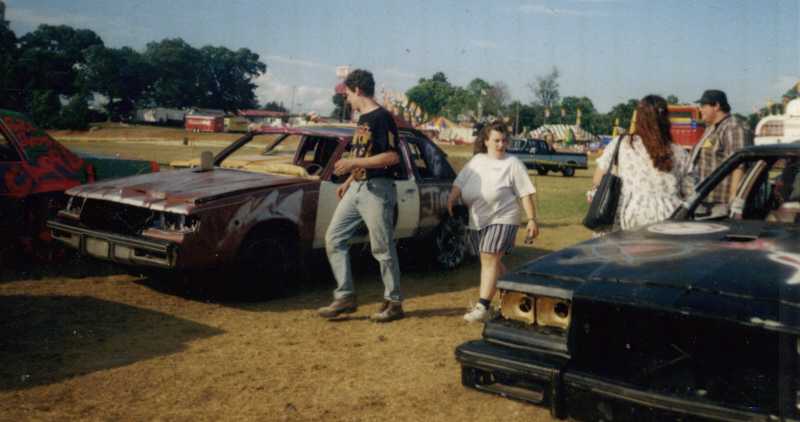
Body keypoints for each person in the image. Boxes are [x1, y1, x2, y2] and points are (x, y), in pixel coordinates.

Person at [317, 69, 404, 323]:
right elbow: (365, 154)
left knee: (382, 247)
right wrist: (349, 179)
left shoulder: (382, 117)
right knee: (334, 238)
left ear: (357, 90)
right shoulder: (363, 118)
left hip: (378, 190)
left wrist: (352, 163)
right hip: (358, 186)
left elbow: (392, 156)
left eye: (347, 94)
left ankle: (394, 302)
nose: (346, 99)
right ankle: (345, 296)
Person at [447, 120, 539, 323]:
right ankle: (517, 294)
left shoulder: (512, 163)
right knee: (492, 261)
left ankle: (483, 307)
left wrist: (532, 220)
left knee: (489, 257)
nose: (501, 144)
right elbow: (460, 182)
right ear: (486, 141)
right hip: (478, 219)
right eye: (496, 140)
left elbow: (525, 193)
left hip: (504, 217)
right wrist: (452, 198)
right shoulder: (477, 160)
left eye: (504, 141)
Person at [591, 95, 695, 231]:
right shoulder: (680, 152)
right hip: (669, 217)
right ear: (666, 120)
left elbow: (597, 179)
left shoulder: (621, 144)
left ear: (639, 119)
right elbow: (690, 191)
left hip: (629, 216)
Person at [688, 89, 753, 217]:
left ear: (716, 106)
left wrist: (734, 203)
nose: (700, 110)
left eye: (703, 106)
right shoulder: (712, 128)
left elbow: (739, 166)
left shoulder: (733, 127)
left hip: (721, 205)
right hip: (705, 200)